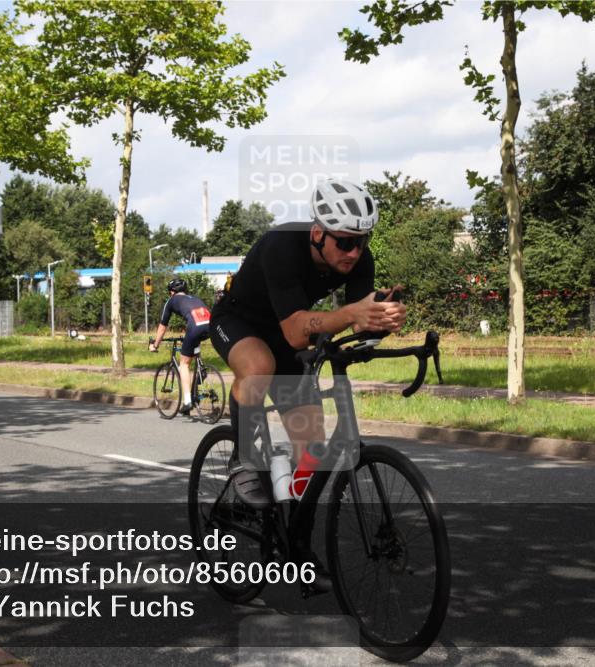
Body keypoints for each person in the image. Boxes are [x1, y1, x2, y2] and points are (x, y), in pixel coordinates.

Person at [209, 178, 407, 585]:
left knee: (312, 448)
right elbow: (301, 331)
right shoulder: (283, 246)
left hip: (289, 336)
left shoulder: (359, 259)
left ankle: (295, 541)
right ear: (318, 233)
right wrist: (353, 314)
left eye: (362, 242)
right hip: (240, 323)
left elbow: (357, 325)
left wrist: (382, 321)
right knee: (259, 365)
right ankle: (244, 457)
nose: (354, 252)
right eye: (345, 242)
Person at [149, 278, 211, 416]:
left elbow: (162, 327)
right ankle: (200, 372)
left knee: (184, 364)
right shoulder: (193, 298)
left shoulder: (171, 301)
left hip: (195, 327)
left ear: (171, 292)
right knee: (194, 345)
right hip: (210, 325)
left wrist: (155, 344)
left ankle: (187, 401)